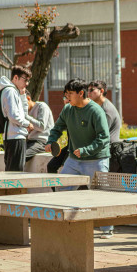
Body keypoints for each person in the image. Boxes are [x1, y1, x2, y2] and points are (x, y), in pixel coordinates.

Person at [45, 78, 112, 238]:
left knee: (100, 195)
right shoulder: (68, 109)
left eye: (69, 94)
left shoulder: (96, 111)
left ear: (81, 93)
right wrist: (51, 141)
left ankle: (107, 229)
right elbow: (57, 128)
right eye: (65, 94)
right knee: (62, 189)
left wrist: (86, 150)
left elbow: (104, 138)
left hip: (97, 159)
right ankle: (64, 224)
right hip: (74, 160)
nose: (66, 97)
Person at [0, 66, 34, 171]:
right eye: (25, 80)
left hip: (16, 136)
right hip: (14, 137)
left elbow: (23, 114)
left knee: (15, 172)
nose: (27, 83)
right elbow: (13, 116)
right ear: (15, 77)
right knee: (15, 174)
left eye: (28, 81)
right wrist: (27, 124)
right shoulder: (10, 91)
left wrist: (22, 95)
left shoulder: (15, 92)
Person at [25, 89, 54, 162]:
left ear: (28, 98)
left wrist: (25, 116)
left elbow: (41, 126)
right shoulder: (26, 112)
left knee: (22, 156)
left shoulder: (42, 106)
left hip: (42, 141)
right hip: (29, 141)